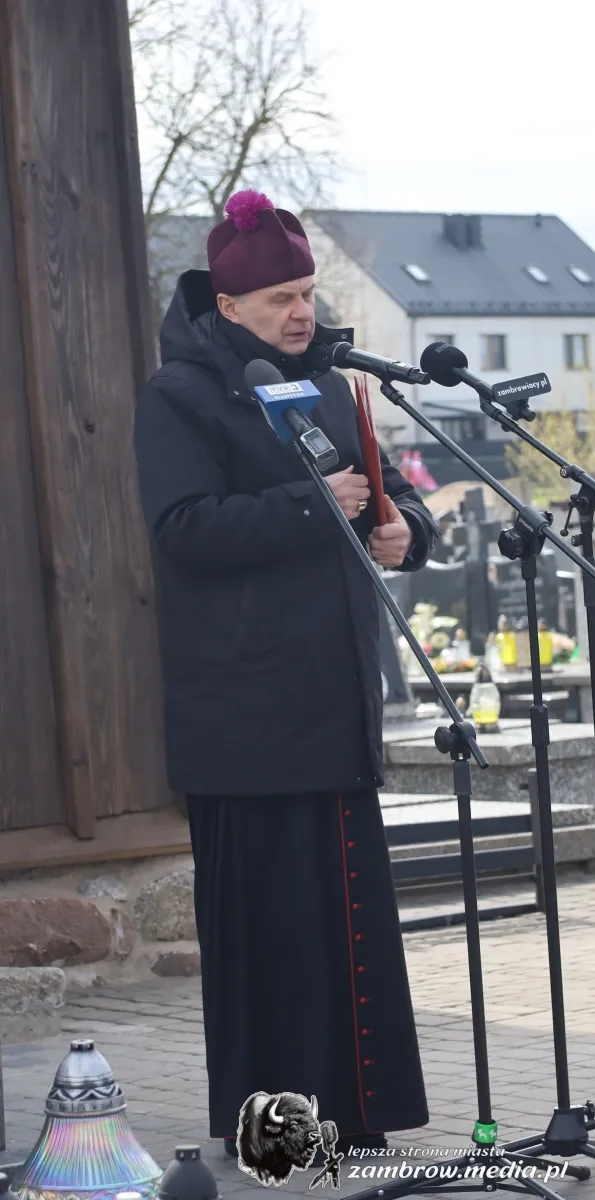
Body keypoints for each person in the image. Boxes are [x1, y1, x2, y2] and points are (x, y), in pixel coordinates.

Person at [133, 189, 437, 1158]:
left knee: (343, 934)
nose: (301, 313)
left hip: (332, 712)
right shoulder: (180, 397)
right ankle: (278, 1132)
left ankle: (351, 1116)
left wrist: (404, 532)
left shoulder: (330, 385)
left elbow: (380, 497)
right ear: (228, 306)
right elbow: (182, 531)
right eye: (280, 300)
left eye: (305, 293)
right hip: (245, 725)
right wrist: (314, 509)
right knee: (276, 944)